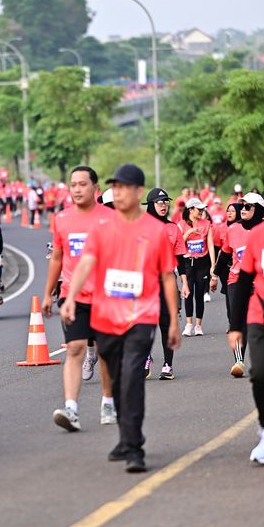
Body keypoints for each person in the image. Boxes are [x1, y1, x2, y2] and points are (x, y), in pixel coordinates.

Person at [61, 164, 181, 473]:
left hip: (141, 316)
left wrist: (173, 320)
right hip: (106, 318)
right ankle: (127, 437)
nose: (118, 192)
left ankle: (134, 447)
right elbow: (86, 262)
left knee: (132, 378)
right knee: (116, 381)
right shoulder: (102, 226)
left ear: (139, 192)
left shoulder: (155, 230)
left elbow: (168, 276)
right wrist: (71, 297)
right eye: (115, 186)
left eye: (125, 187)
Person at [42, 166, 117, 431]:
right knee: (75, 347)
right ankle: (71, 409)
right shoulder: (62, 219)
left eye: (82, 184)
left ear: (95, 188)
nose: (77, 189)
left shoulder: (110, 218)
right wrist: (48, 292)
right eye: (73, 184)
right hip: (72, 296)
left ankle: (108, 402)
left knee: (105, 351)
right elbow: (57, 258)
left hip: (105, 297)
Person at [228, 181, 264, 466]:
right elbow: (243, 282)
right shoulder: (258, 236)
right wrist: (235, 327)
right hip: (261, 316)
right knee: (261, 375)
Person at [213, 193, 264, 377]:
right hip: (236, 280)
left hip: (261, 282)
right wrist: (215, 275)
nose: (242, 209)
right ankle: (239, 361)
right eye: (241, 206)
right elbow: (225, 254)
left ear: (258, 209)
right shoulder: (233, 229)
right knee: (238, 319)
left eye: (247, 206)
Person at [143, 187, 189, 380]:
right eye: (159, 202)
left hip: (167, 283)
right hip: (145, 285)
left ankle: (168, 365)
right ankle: (146, 358)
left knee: (166, 323)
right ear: (150, 205)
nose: (163, 206)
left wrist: (184, 283)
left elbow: (181, 259)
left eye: (165, 202)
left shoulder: (173, 229)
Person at [178, 197, 216, 336]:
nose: (201, 211)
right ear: (190, 210)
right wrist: (189, 233)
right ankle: (189, 324)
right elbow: (178, 244)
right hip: (188, 263)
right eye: (199, 209)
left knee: (200, 294)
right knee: (188, 293)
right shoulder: (181, 224)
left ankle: (198, 325)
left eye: (202, 209)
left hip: (202, 262)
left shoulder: (206, 224)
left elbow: (210, 245)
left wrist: (213, 265)